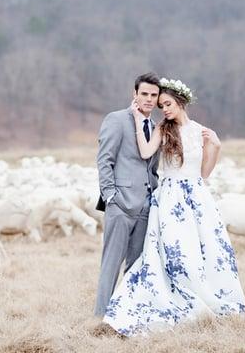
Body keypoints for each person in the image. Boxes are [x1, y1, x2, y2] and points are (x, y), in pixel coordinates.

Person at [102, 78, 245, 337]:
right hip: (170, 197)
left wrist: (216, 146)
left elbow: (204, 173)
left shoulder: (201, 131)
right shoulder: (162, 128)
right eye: (161, 105)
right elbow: (146, 153)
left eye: (167, 104)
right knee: (176, 252)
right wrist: (137, 120)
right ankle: (170, 298)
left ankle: (207, 300)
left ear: (181, 102)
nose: (164, 109)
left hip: (197, 199)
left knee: (208, 252)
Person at [93, 72, 161, 318]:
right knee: (111, 265)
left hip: (146, 207)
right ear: (135, 94)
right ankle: (101, 318)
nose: (149, 99)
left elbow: (151, 168)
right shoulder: (116, 119)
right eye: (144, 94)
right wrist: (111, 196)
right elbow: (104, 160)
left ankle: (126, 316)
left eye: (154, 95)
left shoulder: (155, 128)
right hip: (120, 205)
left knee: (136, 267)